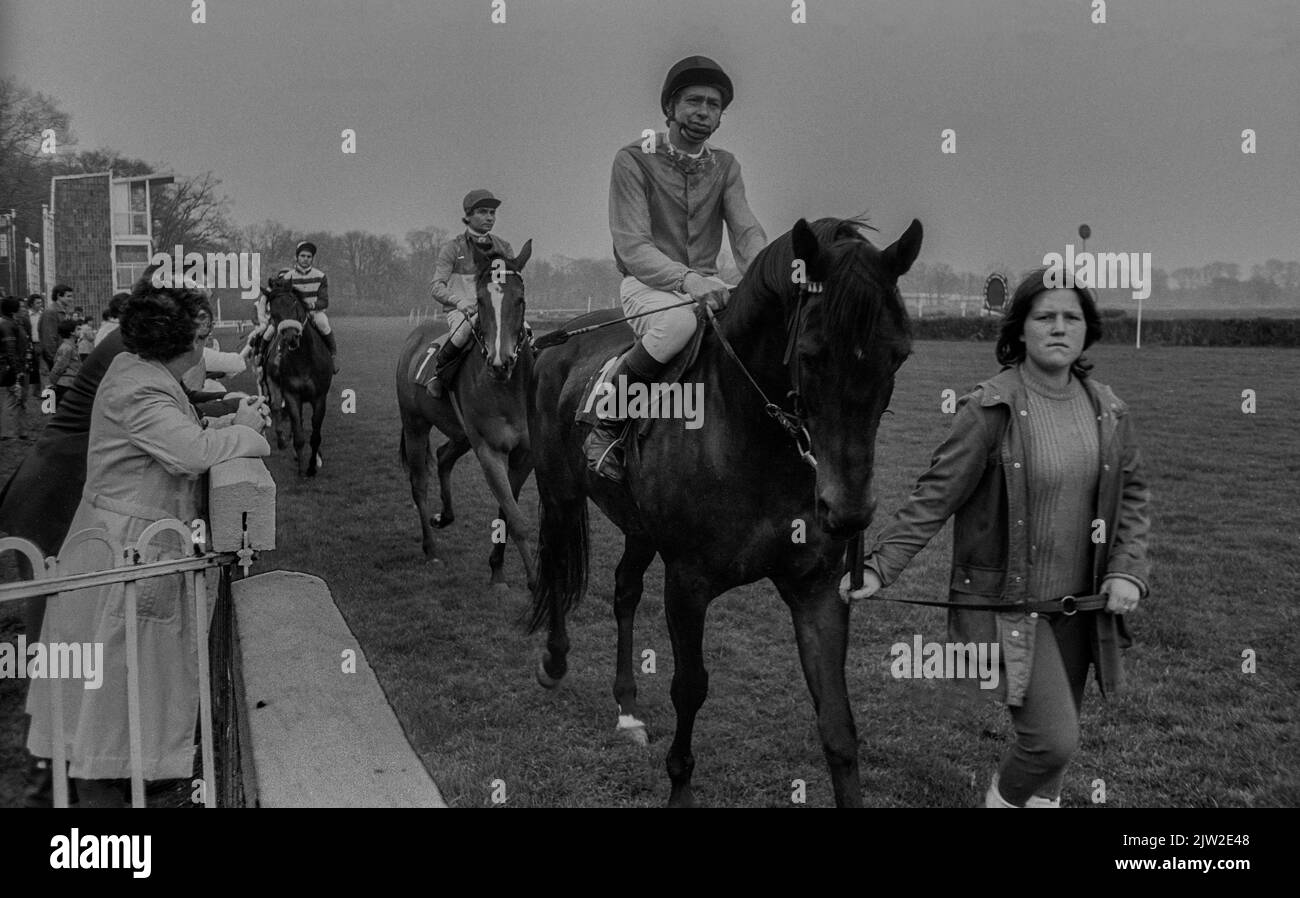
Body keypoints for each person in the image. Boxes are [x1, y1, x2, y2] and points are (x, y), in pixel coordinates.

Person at [839, 270, 1151, 808]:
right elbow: (936, 495)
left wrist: (1126, 569)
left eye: (1071, 317)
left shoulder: (1109, 408)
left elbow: (1133, 496)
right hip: (1012, 606)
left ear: (1087, 330)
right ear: (1020, 329)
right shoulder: (991, 407)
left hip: (1082, 606)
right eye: (1044, 317)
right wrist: (879, 566)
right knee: (1052, 741)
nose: (1059, 327)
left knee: (1055, 750)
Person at [23, 282, 271, 808]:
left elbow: (182, 429)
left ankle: (110, 793)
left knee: (120, 703)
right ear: (183, 343)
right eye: (201, 337)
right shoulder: (139, 385)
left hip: (131, 546)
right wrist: (247, 430)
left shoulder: (142, 374)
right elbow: (188, 450)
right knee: (111, 707)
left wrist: (224, 419)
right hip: (121, 553)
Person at [585, 54, 767, 481]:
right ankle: (607, 425)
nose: (703, 112)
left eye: (714, 105)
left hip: (707, 283)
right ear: (669, 108)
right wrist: (689, 279)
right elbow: (634, 246)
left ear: (721, 117)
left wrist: (769, 271)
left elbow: (745, 231)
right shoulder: (632, 160)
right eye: (693, 101)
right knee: (677, 327)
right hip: (648, 285)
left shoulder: (727, 166)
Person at [426, 189, 516, 397]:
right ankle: (439, 376)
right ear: (468, 216)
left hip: (494, 310)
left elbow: (507, 285)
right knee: (461, 333)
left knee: (526, 333)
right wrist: (458, 302)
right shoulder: (452, 248)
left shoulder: (504, 248)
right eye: (483, 212)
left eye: (492, 213)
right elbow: (436, 286)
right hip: (463, 310)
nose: (489, 217)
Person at [281, 242, 338, 372]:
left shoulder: (320, 276)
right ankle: (277, 355)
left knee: (322, 322)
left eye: (308, 256)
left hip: (314, 313)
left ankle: (333, 355)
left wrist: (311, 306)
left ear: (312, 259)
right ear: (297, 257)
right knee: (279, 328)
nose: (305, 259)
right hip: (293, 315)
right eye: (302, 256)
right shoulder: (287, 277)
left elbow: (324, 301)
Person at [0, 296, 32, 440]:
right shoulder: (7, 325)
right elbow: (10, 350)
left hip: (19, 366)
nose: (24, 309)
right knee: (12, 399)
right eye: (22, 307)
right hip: (13, 368)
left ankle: (21, 431)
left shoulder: (14, 323)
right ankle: (8, 433)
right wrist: (16, 371)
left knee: (20, 399)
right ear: (14, 311)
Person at [38, 284, 73, 376]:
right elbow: (49, 338)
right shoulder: (51, 312)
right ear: (58, 296)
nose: (71, 299)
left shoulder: (64, 312)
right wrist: (55, 360)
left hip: (62, 357)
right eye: (68, 296)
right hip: (55, 360)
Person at [48, 318, 81, 405]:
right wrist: (53, 380)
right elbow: (59, 366)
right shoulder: (67, 348)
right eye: (78, 329)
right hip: (65, 385)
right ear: (72, 332)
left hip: (70, 384)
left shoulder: (72, 346)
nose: (80, 331)